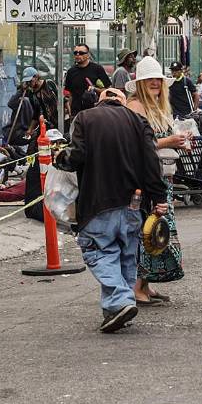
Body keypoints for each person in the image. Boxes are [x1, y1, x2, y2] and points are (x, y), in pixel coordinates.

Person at [58, 88, 167, 333]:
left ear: (100, 102)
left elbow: (75, 156)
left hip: (99, 202)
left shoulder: (85, 118)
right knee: (126, 256)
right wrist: (159, 197)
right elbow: (152, 161)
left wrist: (58, 158)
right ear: (122, 102)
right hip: (134, 203)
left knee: (100, 252)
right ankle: (116, 310)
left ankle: (119, 301)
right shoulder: (138, 121)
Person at [125, 57, 189, 305]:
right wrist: (170, 142)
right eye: (148, 79)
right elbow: (137, 146)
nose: (154, 83)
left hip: (163, 178)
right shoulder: (135, 107)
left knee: (157, 233)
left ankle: (146, 285)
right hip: (146, 180)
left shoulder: (160, 107)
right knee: (146, 232)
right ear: (139, 84)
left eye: (157, 79)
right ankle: (136, 287)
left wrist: (181, 142)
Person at [64, 43, 112, 121]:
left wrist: (95, 89)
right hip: (76, 114)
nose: (78, 55)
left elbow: (108, 91)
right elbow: (70, 95)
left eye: (81, 53)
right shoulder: (71, 71)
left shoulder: (97, 69)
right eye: (75, 53)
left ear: (88, 55)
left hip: (95, 113)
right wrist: (70, 113)